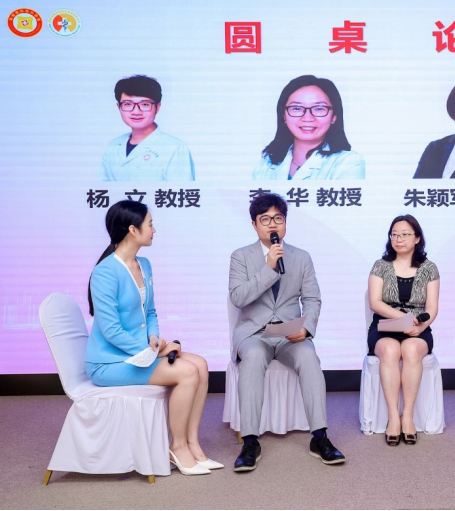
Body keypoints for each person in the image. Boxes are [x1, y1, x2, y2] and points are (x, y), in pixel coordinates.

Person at [86, 200, 217, 476]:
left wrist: (154, 337)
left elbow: (151, 312)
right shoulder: (105, 272)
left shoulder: (144, 264)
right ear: (132, 230)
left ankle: (192, 443)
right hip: (109, 363)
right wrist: (155, 351)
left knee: (201, 365)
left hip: (140, 353)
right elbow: (111, 331)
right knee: (187, 372)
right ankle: (177, 447)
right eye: (150, 224)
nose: (154, 229)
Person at [229, 193, 345, 471]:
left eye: (278, 218)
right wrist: (269, 267)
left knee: (309, 358)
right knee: (253, 359)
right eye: (265, 219)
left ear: (285, 223)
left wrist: (307, 328)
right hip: (254, 333)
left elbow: (312, 299)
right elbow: (238, 297)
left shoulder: (301, 257)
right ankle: (250, 441)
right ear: (254, 224)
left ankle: (319, 437)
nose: (273, 225)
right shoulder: (240, 257)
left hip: (290, 334)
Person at [367, 215, 440, 446]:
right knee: (390, 350)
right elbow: (375, 303)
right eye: (395, 234)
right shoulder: (381, 265)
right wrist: (404, 319)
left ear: (417, 238)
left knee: (411, 351)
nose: (399, 239)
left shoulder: (429, 268)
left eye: (405, 234)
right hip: (384, 326)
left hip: (418, 328)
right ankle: (393, 417)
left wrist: (420, 325)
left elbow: (432, 308)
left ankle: (407, 417)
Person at [253, 75, 365, 180]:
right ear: (284, 116)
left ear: (334, 117)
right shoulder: (266, 164)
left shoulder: (348, 163)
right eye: (297, 108)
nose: (307, 118)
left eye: (319, 108)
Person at [99, 75, 195, 181]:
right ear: (119, 107)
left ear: (157, 107)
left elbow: (181, 190)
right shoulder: (113, 145)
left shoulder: (174, 147)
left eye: (145, 104)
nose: (136, 112)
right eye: (127, 104)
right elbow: (102, 188)